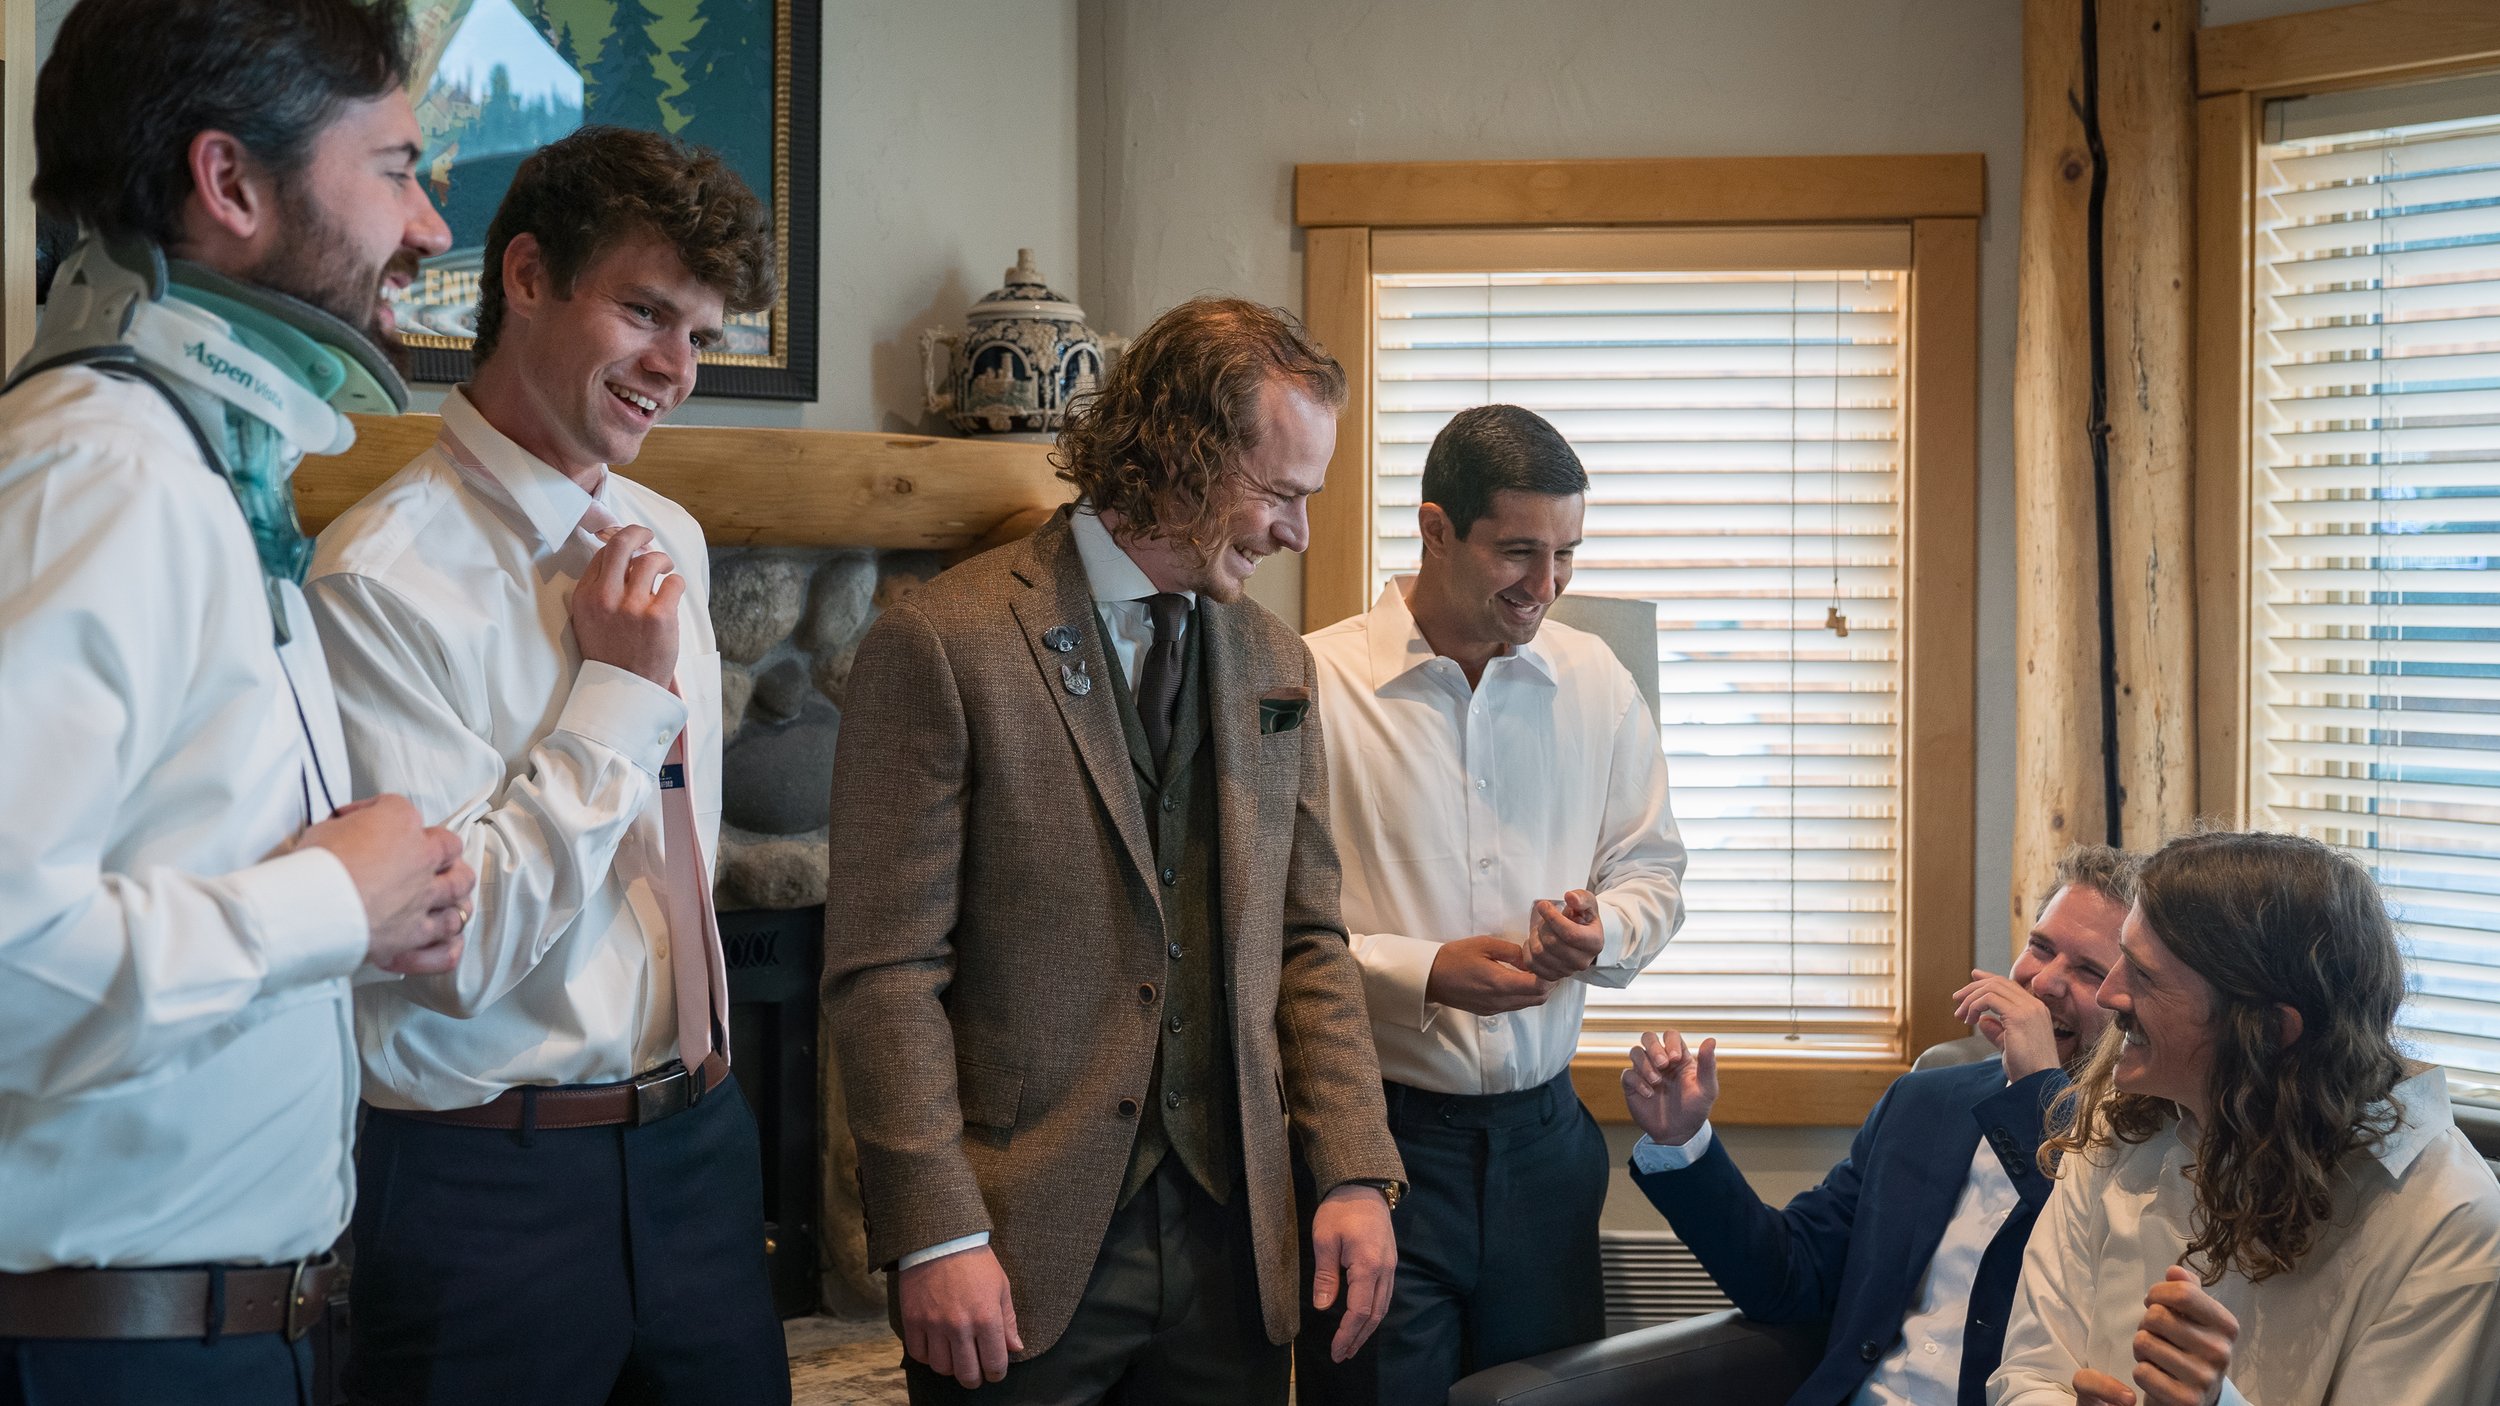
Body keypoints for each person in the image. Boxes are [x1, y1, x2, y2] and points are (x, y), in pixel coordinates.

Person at [0, 1, 472, 1400]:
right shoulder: (108, 475)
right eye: (394, 168)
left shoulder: (197, 469)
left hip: (208, 1338)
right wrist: (330, 903)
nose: (429, 226)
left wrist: (363, 914)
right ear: (233, 185)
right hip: (110, 1356)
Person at [822, 296, 1405, 1405]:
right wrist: (933, 1229)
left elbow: (1308, 941)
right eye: (1280, 493)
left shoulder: (1274, 661)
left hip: (1235, 1245)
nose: (1297, 534)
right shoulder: (944, 643)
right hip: (1013, 1247)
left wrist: (1353, 1168)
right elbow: (883, 972)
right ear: (1181, 456)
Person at [303, 126, 784, 1405]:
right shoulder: (376, 580)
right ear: (523, 276)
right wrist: (618, 694)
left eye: (703, 333)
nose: (676, 369)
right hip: (484, 1191)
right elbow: (451, 952)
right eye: (644, 311)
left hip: (702, 1154)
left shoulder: (666, 532)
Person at [1295, 403, 1687, 1401]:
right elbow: (1264, 931)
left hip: (1548, 1147)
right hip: (1374, 1143)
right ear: (1435, 528)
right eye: (1518, 552)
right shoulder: (1311, 683)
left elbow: (1653, 873)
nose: (1546, 586)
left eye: (1566, 554)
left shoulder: (1594, 681)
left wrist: (1601, 933)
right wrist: (1425, 971)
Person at [1990, 831, 2500, 1406]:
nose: (2108, 996)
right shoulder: (2124, 1116)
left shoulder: (2449, 1221)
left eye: (2144, 975)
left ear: (2267, 1031)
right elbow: (2028, 1375)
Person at [1625, 846, 2139, 1406]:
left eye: (2089, 971)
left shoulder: (2139, 1146)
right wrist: (1683, 1141)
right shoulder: (1925, 1100)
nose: (2044, 984)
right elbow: (1790, 1276)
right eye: (2040, 947)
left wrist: (2037, 1090)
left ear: (2131, 998)